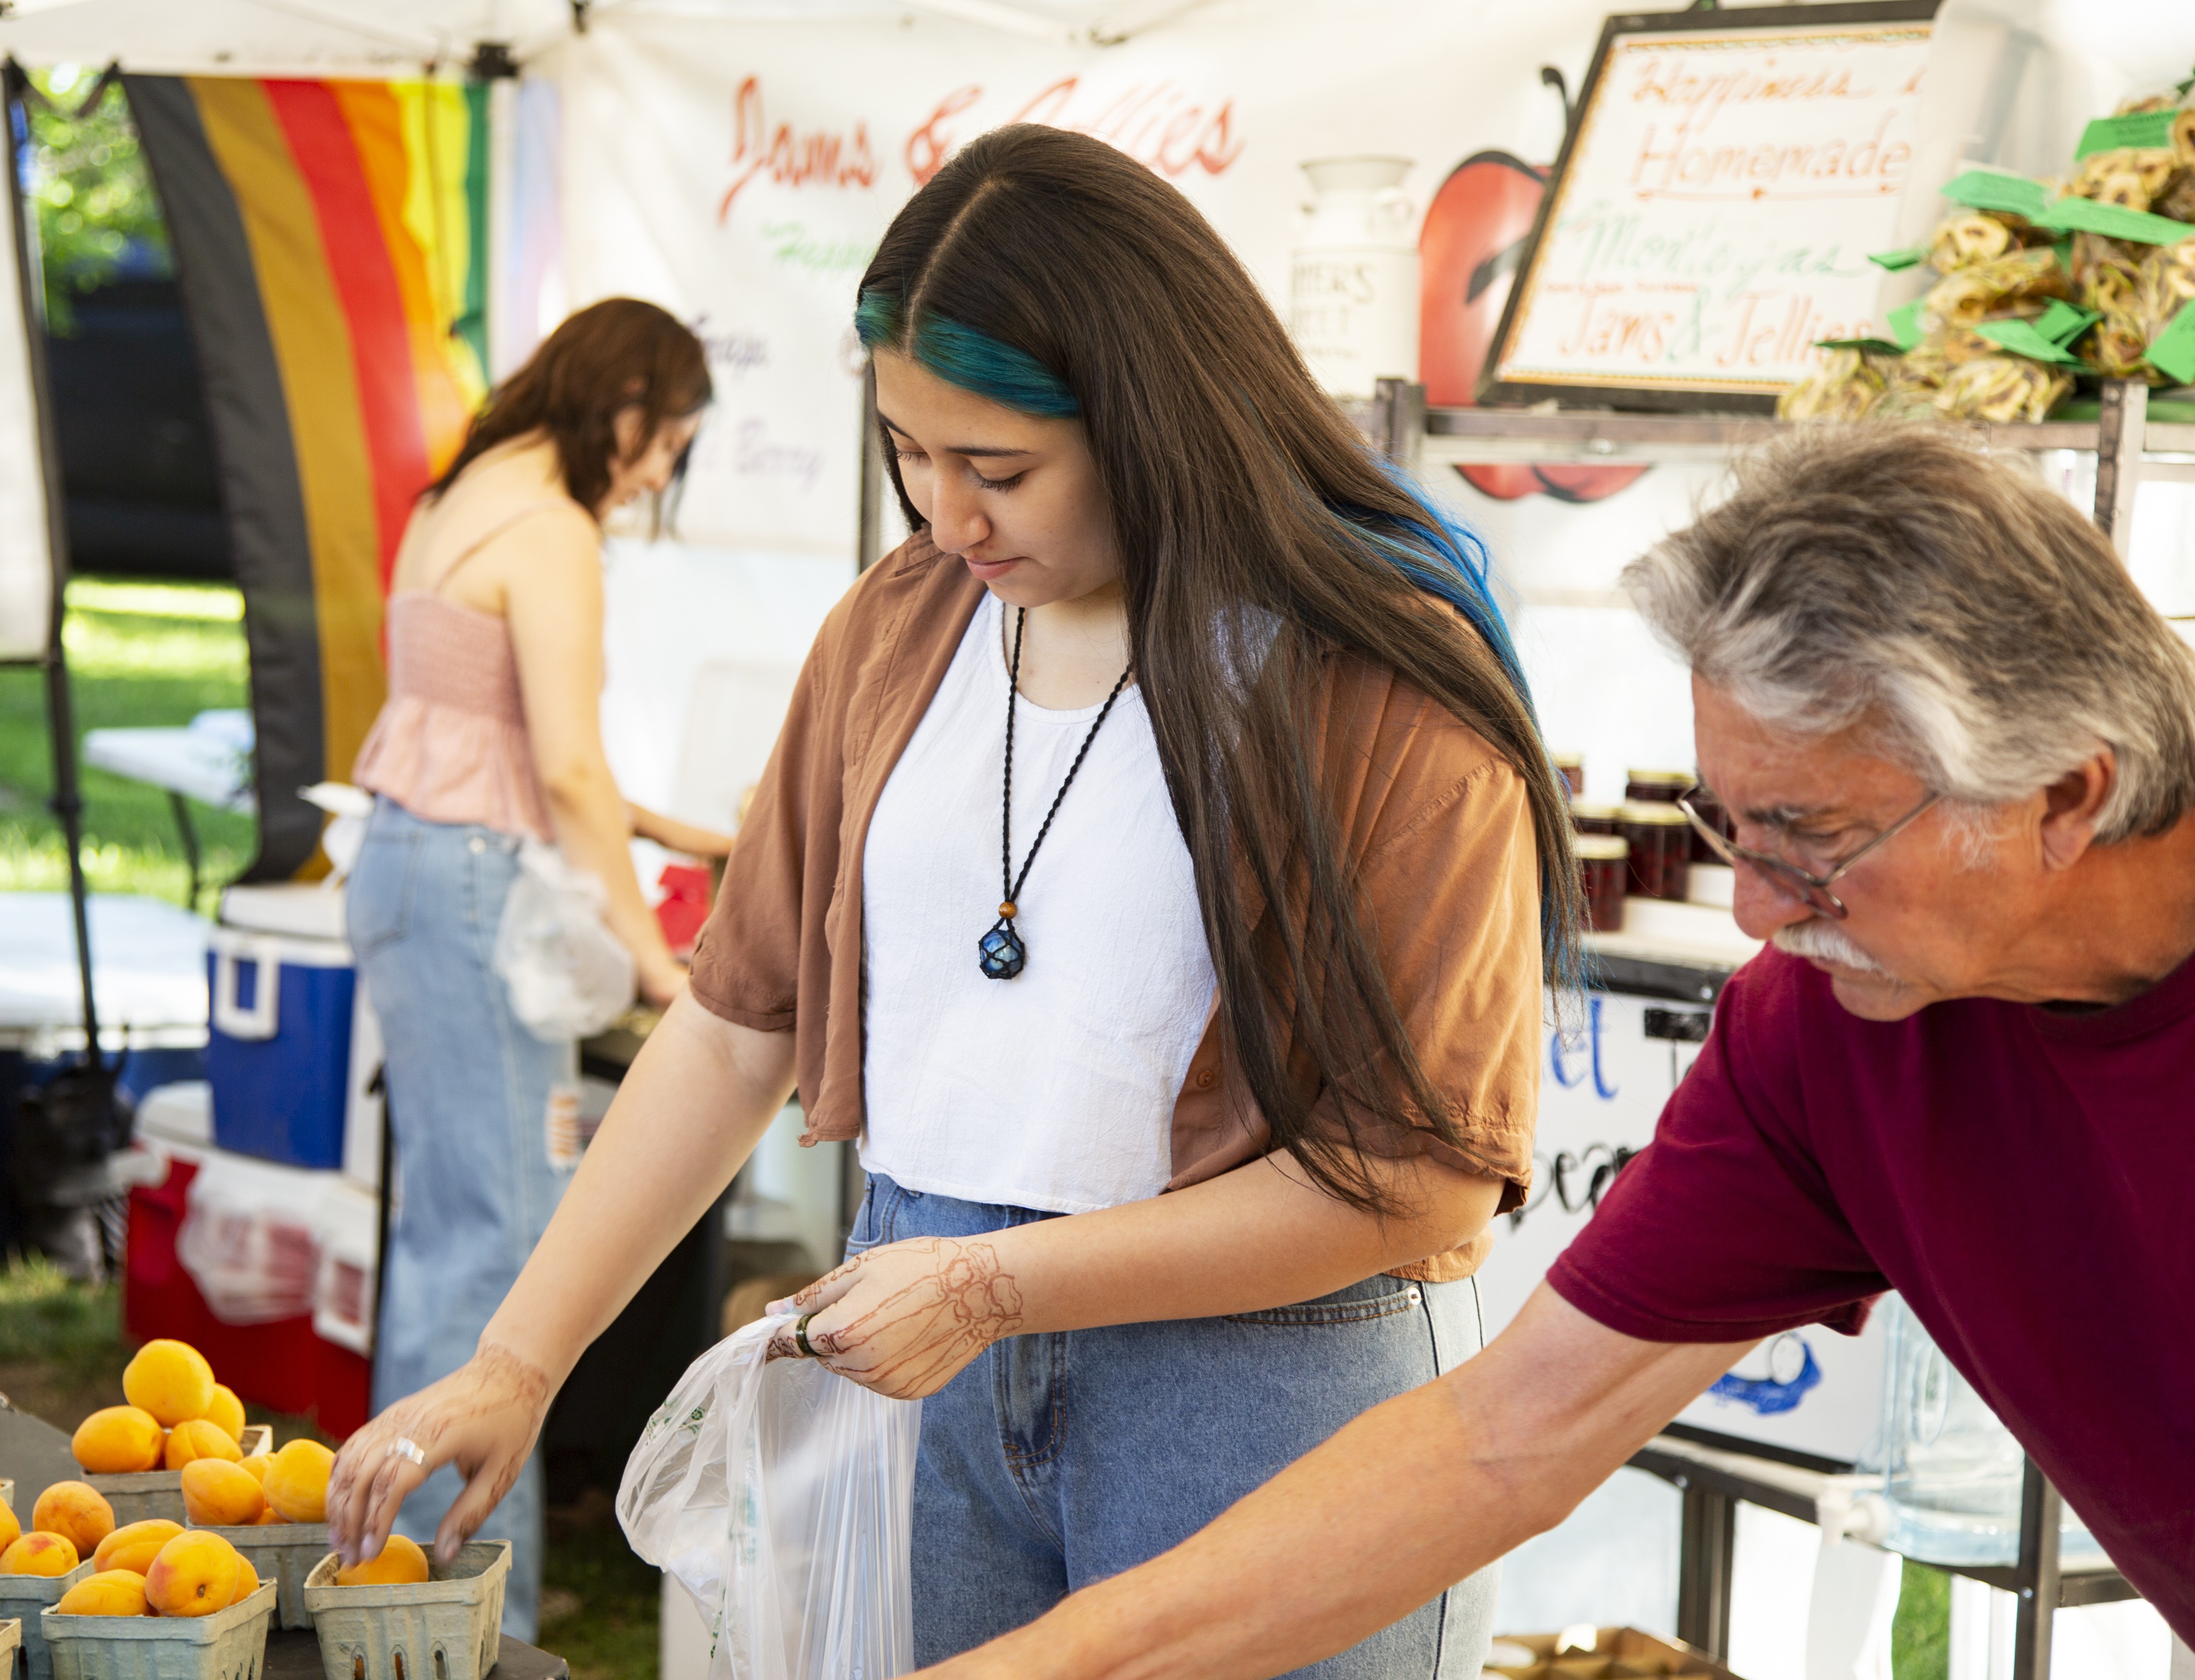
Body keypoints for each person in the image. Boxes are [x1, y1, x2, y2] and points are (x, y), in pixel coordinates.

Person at [329, 126, 1587, 1678]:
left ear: (1153, 419)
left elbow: (1417, 1181)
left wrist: (994, 1285)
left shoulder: (1368, 676)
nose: (944, 518)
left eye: (997, 468)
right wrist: (517, 1364)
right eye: (909, 455)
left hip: (1249, 1394)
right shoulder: (896, 631)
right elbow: (738, 1027)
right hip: (916, 1368)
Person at [903, 424, 2195, 1679]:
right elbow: (1503, 1437)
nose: (1757, 912)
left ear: (2065, 797)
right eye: (1730, 831)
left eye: (1813, 841)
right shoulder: (1824, 1039)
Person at [344, 297, 732, 1641]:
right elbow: (559, 767)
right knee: (503, 1253)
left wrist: (669, 831)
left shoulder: (462, 494)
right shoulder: (555, 531)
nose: (657, 474)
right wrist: (650, 958)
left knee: (446, 1235)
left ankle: (396, 1571)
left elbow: (485, 729)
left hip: (405, 866)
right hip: (470, 886)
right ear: (622, 403)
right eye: (666, 439)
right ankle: (468, 1608)